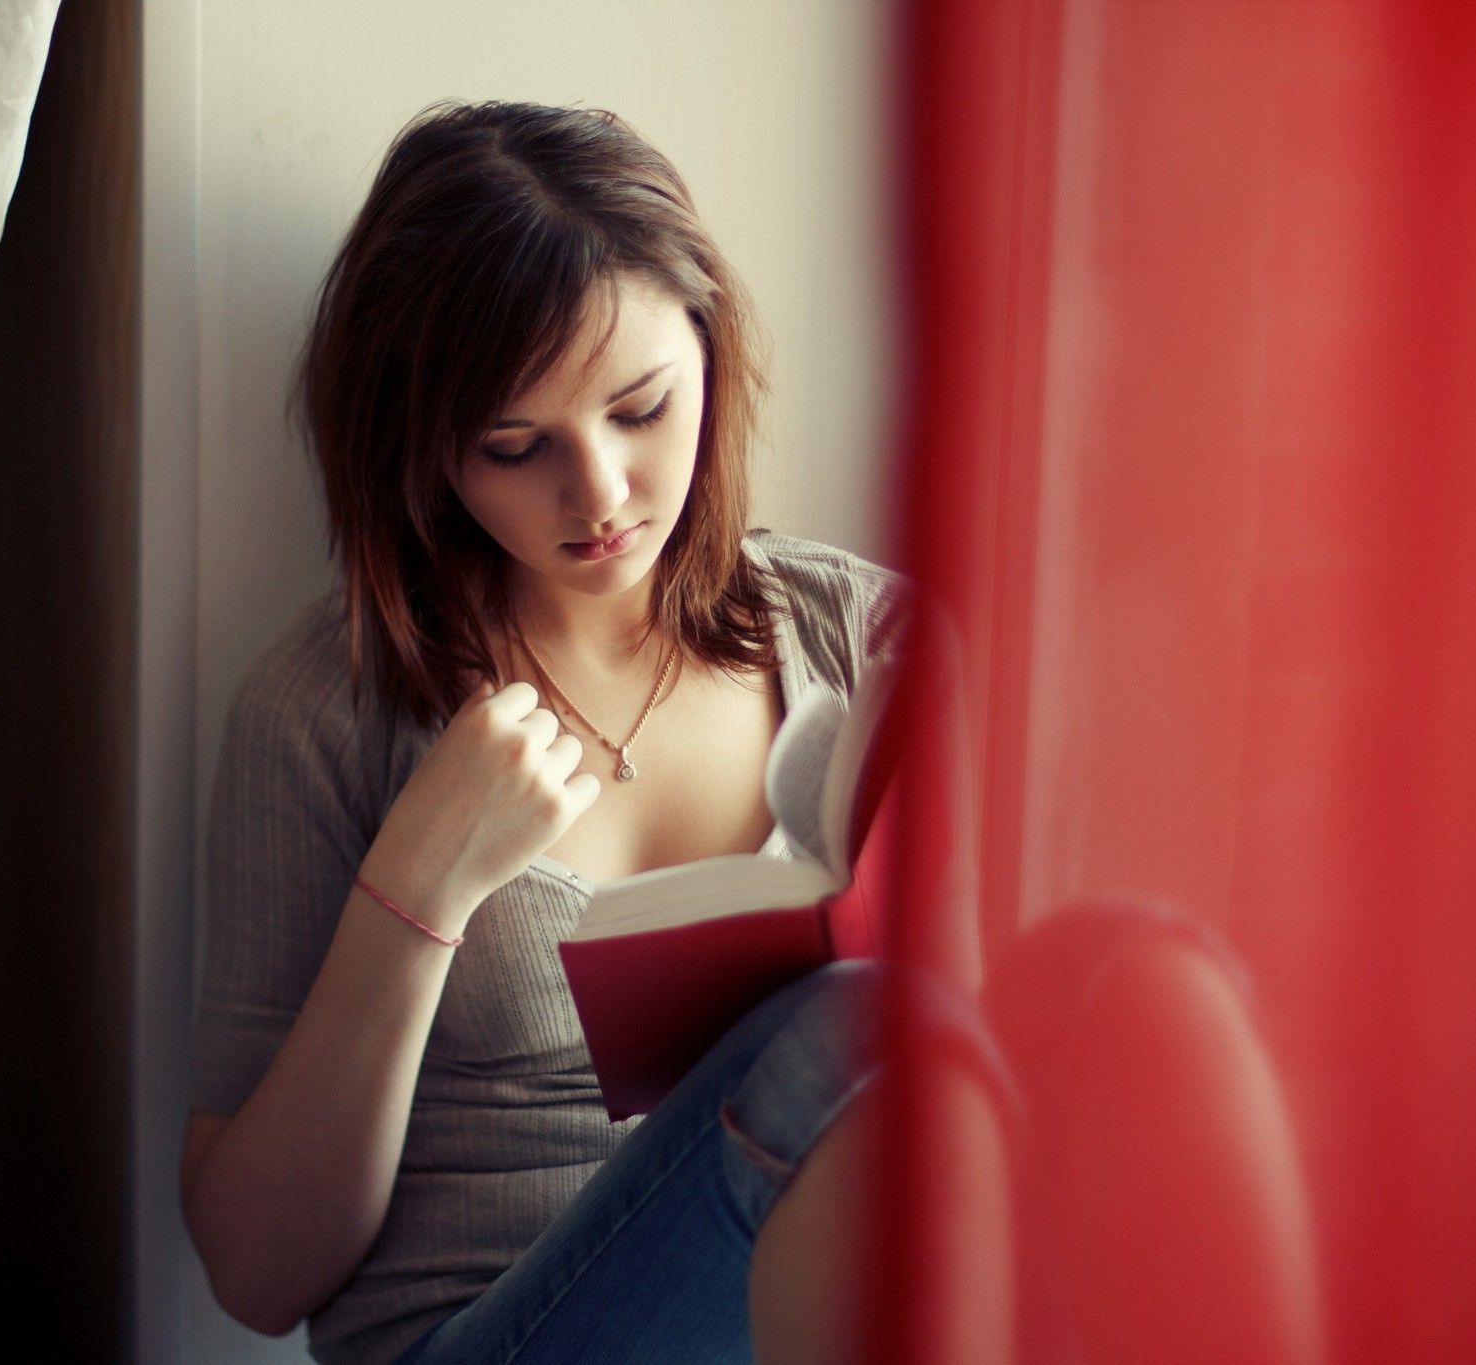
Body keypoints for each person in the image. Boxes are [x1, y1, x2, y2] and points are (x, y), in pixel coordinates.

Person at [176, 100, 1018, 1365]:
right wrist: (418, 887)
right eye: (516, 448)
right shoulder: (325, 713)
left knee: (1157, 976)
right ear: (429, 459)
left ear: (708, 351)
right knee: (838, 1038)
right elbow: (256, 1272)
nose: (601, 496)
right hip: (480, 1335)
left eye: (638, 410)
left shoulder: (864, 640)